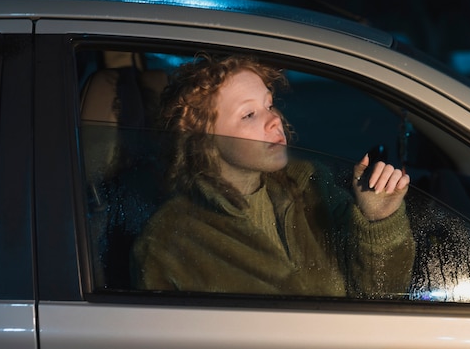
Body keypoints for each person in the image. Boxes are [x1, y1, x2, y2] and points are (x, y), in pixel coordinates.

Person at [131, 53, 415, 298]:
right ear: (204, 139)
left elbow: (380, 296)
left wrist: (379, 221)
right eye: (248, 115)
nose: (274, 119)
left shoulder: (311, 187)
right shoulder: (167, 244)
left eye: (268, 105)